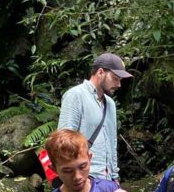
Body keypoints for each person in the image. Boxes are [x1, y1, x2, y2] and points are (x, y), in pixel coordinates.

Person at [56, 52, 133, 182]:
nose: (119, 84)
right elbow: (64, 140)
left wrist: (115, 176)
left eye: (120, 80)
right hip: (85, 177)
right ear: (100, 72)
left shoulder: (110, 104)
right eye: (115, 78)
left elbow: (112, 142)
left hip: (108, 179)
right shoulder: (75, 95)